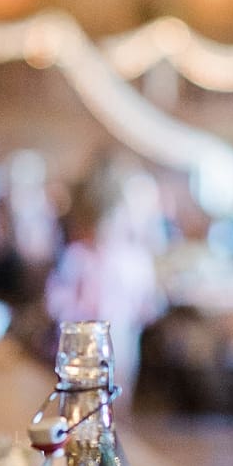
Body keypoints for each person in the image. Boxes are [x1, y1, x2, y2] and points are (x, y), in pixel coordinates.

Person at [44, 161, 162, 402]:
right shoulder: (78, 257)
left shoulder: (134, 259)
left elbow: (148, 305)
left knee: (118, 397)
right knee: (79, 402)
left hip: (120, 342)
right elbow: (56, 300)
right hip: (79, 345)